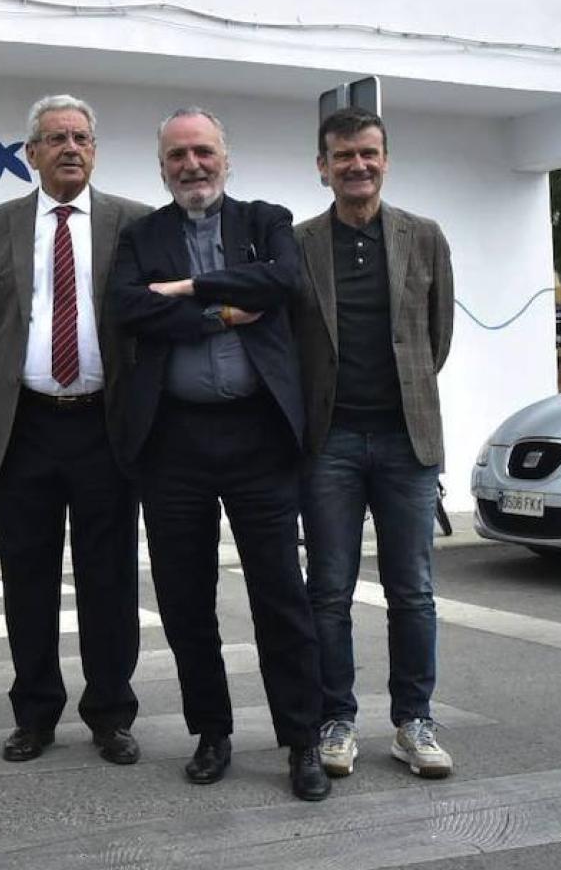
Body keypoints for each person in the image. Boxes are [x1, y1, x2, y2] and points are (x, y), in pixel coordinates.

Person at [109, 106, 330, 802]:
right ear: (162, 167)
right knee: (184, 599)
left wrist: (187, 288)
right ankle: (212, 732)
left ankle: (301, 741)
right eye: (177, 156)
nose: (192, 166)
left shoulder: (266, 220)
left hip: (258, 438)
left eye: (203, 151)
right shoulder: (142, 234)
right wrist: (221, 311)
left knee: (281, 597)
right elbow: (127, 306)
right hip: (173, 442)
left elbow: (283, 282)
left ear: (225, 159)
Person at [0, 95, 149, 766]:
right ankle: (35, 714)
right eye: (54, 138)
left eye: (80, 137)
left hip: (105, 427)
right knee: (28, 578)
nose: (69, 147)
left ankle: (110, 714)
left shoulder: (134, 222)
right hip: (29, 425)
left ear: (94, 149)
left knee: (109, 580)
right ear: (34, 153)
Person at [293, 105, 456, 780]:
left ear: (385, 160)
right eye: (343, 155)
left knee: (412, 590)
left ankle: (413, 721)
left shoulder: (424, 236)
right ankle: (336, 718)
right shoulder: (300, 243)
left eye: (368, 153)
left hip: (404, 442)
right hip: (327, 442)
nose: (356, 165)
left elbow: (435, 337)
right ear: (323, 166)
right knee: (328, 592)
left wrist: (406, 398)